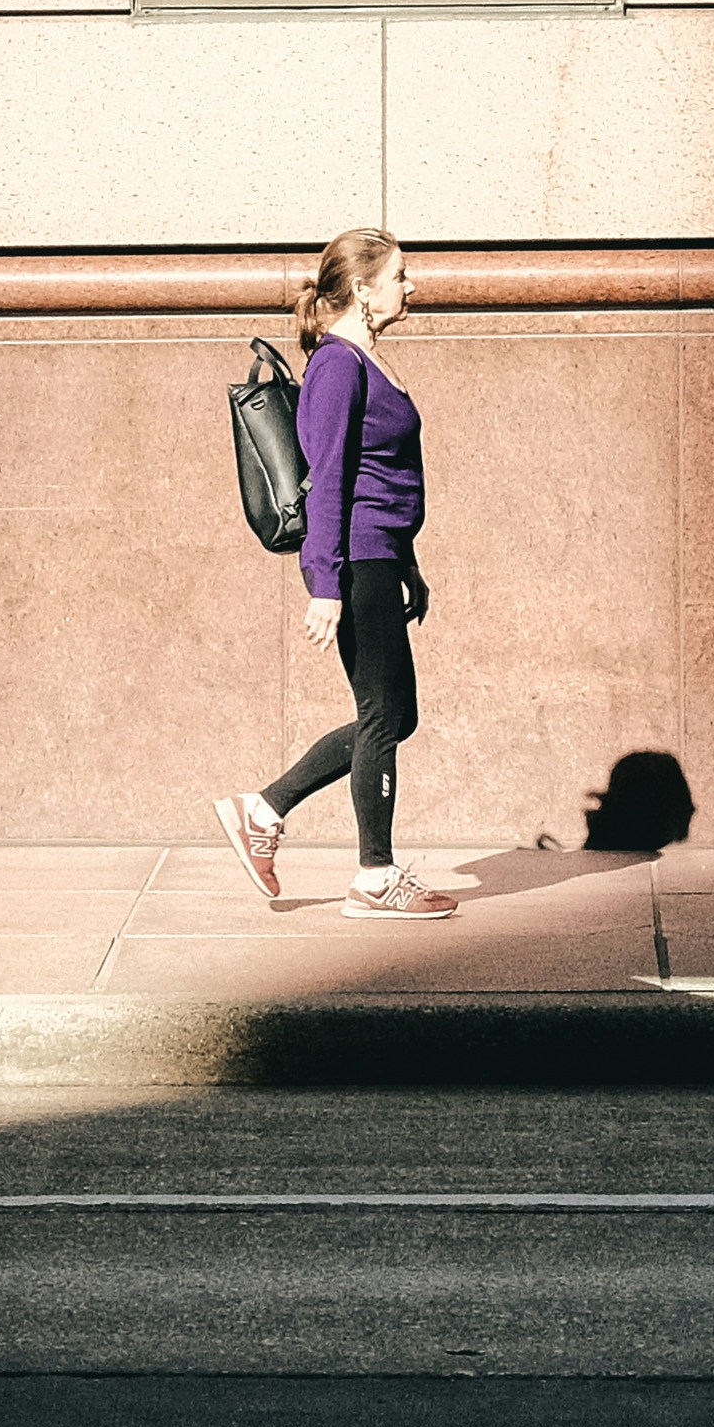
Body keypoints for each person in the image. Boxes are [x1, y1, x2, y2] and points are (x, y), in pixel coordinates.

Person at [214, 228, 454, 919]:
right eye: (401, 276)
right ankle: (374, 877)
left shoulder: (366, 358)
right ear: (363, 288)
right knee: (383, 715)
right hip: (352, 561)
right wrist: (324, 582)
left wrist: (408, 559)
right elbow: (329, 479)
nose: (413, 286)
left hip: (380, 556)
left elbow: (383, 475)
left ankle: (261, 809)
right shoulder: (337, 367)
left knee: (394, 713)